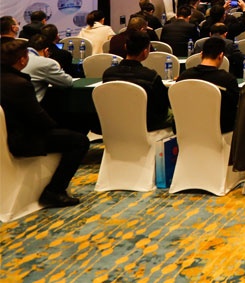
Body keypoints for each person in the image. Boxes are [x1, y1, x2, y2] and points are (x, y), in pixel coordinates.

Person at [0, 39, 89, 208]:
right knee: (80, 141)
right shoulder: (20, 84)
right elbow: (38, 119)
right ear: (22, 60)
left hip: (7, 135)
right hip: (22, 139)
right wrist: (56, 126)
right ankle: (54, 191)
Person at [102, 31, 172, 131]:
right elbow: (162, 106)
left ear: (125, 47)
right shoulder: (151, 77)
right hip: (148, 125)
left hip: (115, 125)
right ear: (145, 52)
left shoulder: (108, 74)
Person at [177, 36, 240, 133]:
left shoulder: (184, 76)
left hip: (185, 128)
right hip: (220, 129)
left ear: (201, 54)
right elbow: (234, 108)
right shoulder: (228, 80)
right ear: (221, 56)